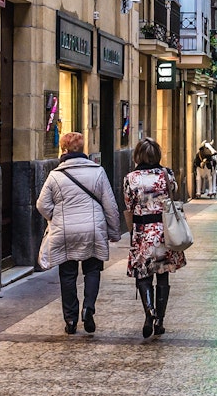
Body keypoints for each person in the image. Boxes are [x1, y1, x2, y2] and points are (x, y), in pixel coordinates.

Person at [36, 132, 122, 334]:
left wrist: (55, 217)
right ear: (82, 150)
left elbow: (42, 205)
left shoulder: (55, 176)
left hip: (66, 231)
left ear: (64, 150)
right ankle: (88, 308)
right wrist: (114, 231)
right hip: (92, 230)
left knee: (68, 274)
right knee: (92, 270)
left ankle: (71, 320)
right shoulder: (97, 172)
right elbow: (110, 205)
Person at [124, 137, 186, 338]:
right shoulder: (167, 174)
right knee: (163, 274)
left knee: (144, 274)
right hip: (164, 231)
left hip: (143, 232)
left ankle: (149, 310)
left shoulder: (131, 178)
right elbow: (173, 193)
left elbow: (129, 205)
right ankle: (159, 320)